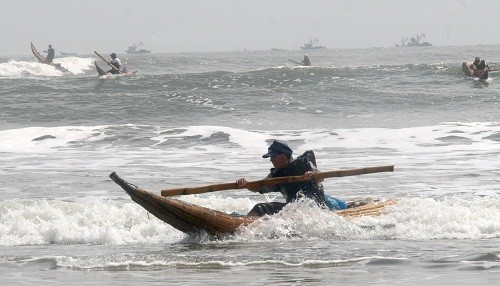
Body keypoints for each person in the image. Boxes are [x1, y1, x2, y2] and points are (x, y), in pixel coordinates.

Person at [236, 140, 327, 216]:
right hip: (292, 208)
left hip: (313, 207)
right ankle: (245, 223)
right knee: (260, 208)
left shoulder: (303, 164)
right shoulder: (276, 174)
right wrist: (246, 184)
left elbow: (320, 177)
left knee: (263, 208)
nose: (271, 160)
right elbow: (259, 187)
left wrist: (312, 175)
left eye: (273, 156)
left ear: (284, 155)